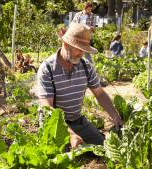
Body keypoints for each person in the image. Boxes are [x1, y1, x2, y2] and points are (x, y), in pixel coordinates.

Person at [37, 22, 124, 155]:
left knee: (104, 147)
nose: (82, 54)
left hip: (77, 121)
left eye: (84, 50)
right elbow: (47, 108)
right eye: (79, 49)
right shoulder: (47, 69)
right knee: (61, 155)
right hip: (54, 125)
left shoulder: (85, 66)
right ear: (66, 45)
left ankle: (76, 138)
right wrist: (71, 134)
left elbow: (100, 94)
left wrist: (115, 115)